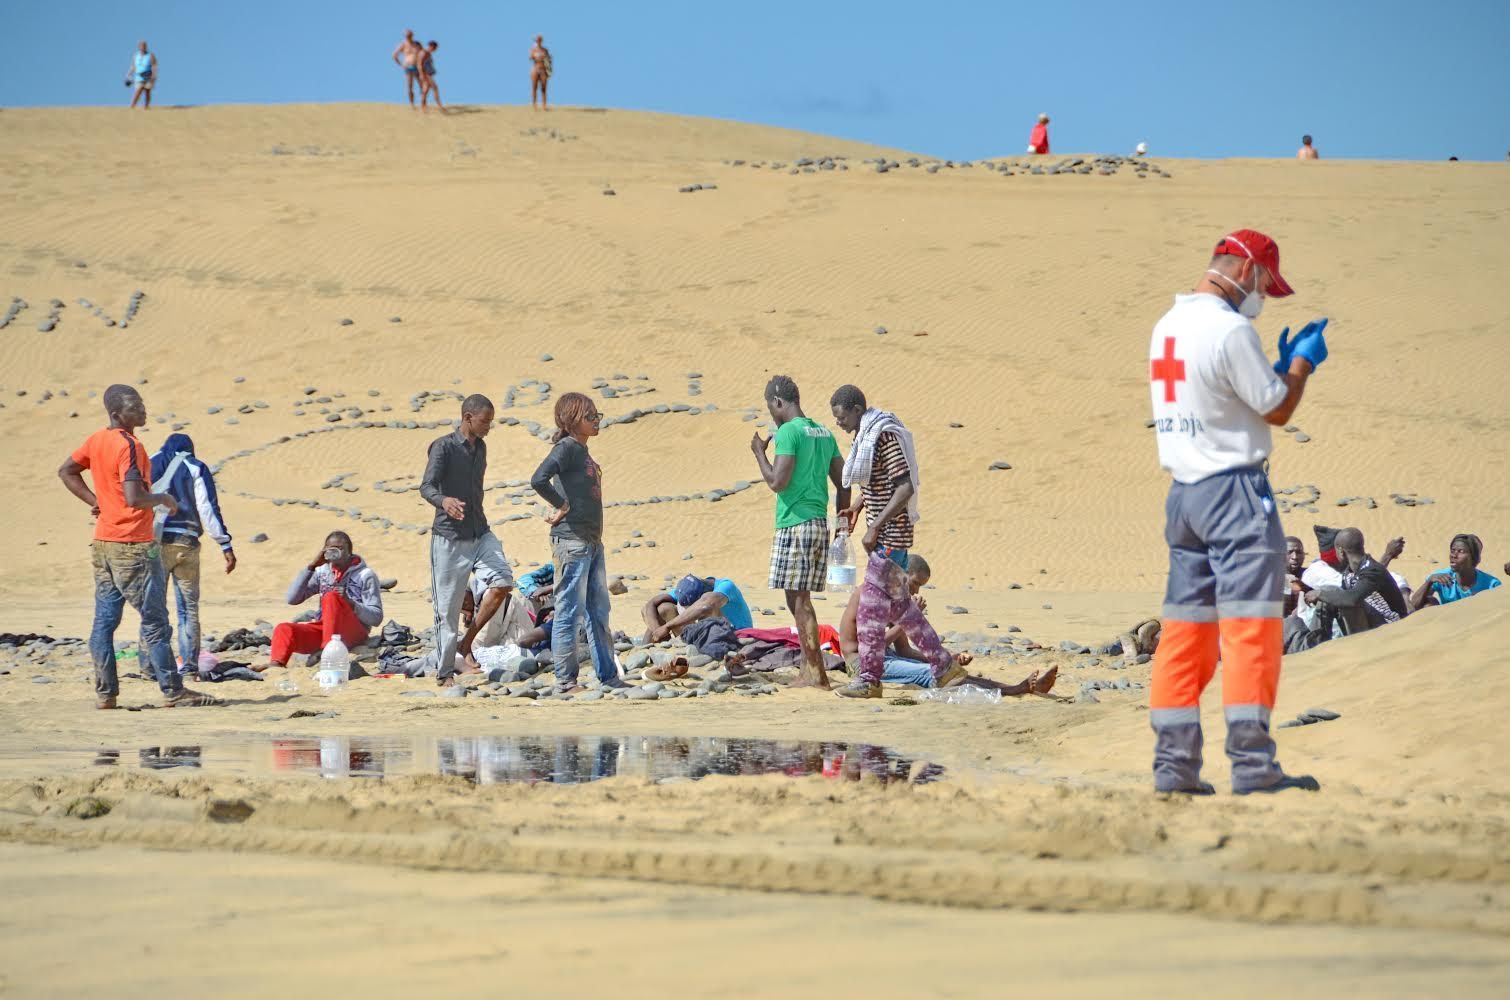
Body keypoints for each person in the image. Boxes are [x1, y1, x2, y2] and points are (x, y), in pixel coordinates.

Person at [1147, 228, 1328, 795]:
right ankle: (1253, 768)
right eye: (1267, 287)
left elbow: (1218, 397)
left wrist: (1268, 369)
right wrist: (1299, 365)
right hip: (1235, 494)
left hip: (1184, 497)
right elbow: (1276, 409)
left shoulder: (1167, 325)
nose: (1265, 298)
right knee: (1252, 628)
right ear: (1247, 270)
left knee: (1185, 632)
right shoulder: (1229, 329)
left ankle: (1173, 769)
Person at [58, 385, 217, 708]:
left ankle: (106, 695)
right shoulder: (129, 445)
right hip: (132, 545)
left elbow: (67, 471)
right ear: (117, 414)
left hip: (103, 542)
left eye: (142, 404)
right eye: (135, 407)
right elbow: (134, 498)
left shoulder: (96, 440)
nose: (142, 411)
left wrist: (97, 502)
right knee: (155, 621)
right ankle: (174, 690)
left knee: (104, 621)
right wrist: (163, 498)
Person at [829, 384, 965, 698]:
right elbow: (880, 484)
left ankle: (870, 680)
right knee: (903, 610)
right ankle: (943, 665)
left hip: (890, 538)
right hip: (887, 537)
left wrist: (874, 526)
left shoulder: (885, 437)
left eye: (841, 416)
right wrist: (858, 507)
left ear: (857, 410)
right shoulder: (869, 438)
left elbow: (903, 488)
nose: (838, 422)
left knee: (869, 616)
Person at [838, 553, 1057, 696]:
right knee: (934, 675)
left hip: (886, 658)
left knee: (947, 670)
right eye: (914, 584)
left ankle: (1015, 688)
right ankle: (1015, 690)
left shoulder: (896, 598)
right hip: (861, 664)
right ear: (901, 575)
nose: (916, 592)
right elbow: (873, 648)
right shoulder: (869, 595)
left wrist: (946, 657)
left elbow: (904, 649)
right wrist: (907, 620)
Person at [750, 376, 849, 689]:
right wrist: (842, 522)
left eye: (770, 407)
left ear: (778, 402)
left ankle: (816, 674)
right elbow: (843, 481)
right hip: (819, 522)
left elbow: (777, 481)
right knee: (795, 596)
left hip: (796, 523)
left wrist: (758, 453)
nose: (771, 414)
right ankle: (810, 666)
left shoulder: (789, 432)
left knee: (800, 598)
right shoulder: (824, 432)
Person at [531, 392, 630, 693]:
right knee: (569, 612)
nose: (596, 421)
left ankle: (608, 675)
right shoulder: (568, 448)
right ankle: (565, 681)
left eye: (597, 415)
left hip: (591, 542)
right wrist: (561, 505)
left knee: (598, 611)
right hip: (572, 541)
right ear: (572, 421)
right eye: (590, 417)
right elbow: (538, 479)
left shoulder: (581, 450)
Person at [421, 395, 515, 685]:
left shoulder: (481, 448)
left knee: (502, 581)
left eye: (490, 421)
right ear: (467, 417)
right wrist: (444, 500)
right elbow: (426, 486)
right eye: (485, 421)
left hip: (480, 531)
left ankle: (467, 643)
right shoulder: (444, 446)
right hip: (449, 538)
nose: (488, 427)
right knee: (446, 612)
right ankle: (445, 672)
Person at [149, 433, 236, 676]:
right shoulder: (196, 467)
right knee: (187, 609)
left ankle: (149, 666)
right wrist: (224, 544)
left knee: (153, 608)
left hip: (153, 543)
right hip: (186, 543)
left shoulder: (150, 462)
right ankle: (188, 666)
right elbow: (206, 507)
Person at [266, 531, 384, 668]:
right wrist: (311, 567)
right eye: (330, 548)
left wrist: (350, 603)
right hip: (325, 628)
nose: (335, 552)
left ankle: (325, 651)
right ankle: (276, 664)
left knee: (331, 596)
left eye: (340, 548)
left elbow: (376, 618)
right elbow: (292, 598)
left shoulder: (365, 575)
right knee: (284, 628)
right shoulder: (322, 572)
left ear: (349, 552)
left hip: (354, 631)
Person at [1308, 528, 1408, 634]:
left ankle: (1354, 642)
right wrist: (1325, 597)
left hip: (1391, 628)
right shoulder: (1349, 573)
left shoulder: (1373, 570)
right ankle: (1316, 642)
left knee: (1334, 595)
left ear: (1341, 551)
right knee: (1330, 598)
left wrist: (1319, 593)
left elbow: (1351, 599)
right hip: (1368, 624)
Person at [643, 573, 754, 640]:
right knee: (664, 608)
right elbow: (651, 604)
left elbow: (706, 606)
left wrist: (667, 627)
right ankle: (645, 651)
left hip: (737, 635)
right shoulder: (688, 589)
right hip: (708, 631)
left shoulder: (726, 586)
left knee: (707, 608)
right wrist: (656, 630)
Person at [1410, 534, 1501, 611]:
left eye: (1461, 551)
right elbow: (1413, 606)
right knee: (1428, 602)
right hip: (1446, 625)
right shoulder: (1441, 577)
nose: (1454, 555)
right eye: (1452, 550)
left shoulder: (1492, 585)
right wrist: (1429, 582)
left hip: (1477, 625)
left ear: (1473, 558)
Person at [393, 29, 422, 107]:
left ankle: (423, 103)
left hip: (417, 66)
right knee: (410, 86)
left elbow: (422, 54)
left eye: (410, 35)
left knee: (422, 85)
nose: (409, 37)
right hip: (408, 66)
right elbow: (394, 55)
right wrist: (401, 64)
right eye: (407, 36)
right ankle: (412, 104)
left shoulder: (417, 44)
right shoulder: (403, 44)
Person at [126, 41, 157, 110]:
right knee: (138, 90)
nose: (142, 48)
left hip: (148, 76)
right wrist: (129, 73)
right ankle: (132, 105)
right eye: (141, 46)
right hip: (139, 77)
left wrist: (154, 76)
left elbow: (154, 66)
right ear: (139, 47)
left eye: (144, 46)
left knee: (147, 91)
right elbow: (133, 66)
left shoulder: (150, 55)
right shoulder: (136, 56)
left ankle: (146, 106)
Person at [419, 41, 444, 112]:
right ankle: (439, 106)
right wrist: (421, 74)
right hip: (425, 74)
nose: (435, 50)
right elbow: (419, 64)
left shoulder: (428, 53)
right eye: (435, 48)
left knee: (425, 90)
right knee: (435, 88)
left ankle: (423, 107)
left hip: (428, 73)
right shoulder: (424, 53)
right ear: (432, 46)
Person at [530, 35, 552, 110]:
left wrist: (549, 70)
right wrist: (535, 55)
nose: (538, 41)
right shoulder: (533, 49)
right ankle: (534, 105)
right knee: (534, 87)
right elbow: (530, 57)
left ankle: (544, 105)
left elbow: (549, 60)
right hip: (536, 68)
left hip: (543, 69)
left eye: (540, 40)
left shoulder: (545, 50)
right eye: (537, 40)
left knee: (543, 88)